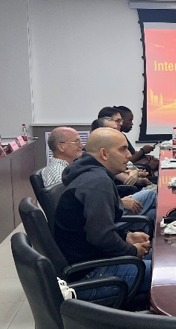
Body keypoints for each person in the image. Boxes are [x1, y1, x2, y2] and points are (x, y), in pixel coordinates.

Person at [53, 128, 153, 300]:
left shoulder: (90, 174)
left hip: (90, 260)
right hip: (91, 276)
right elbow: (101, 236)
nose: (129, 155)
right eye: (123, 149)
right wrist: (131, 250)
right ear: (104, 154)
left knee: (161, 256)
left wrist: (126, 236)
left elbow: (93, 228)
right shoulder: (98, 183)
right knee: (166, 275)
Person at [117, 105, 159, 173]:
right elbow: (127, 161)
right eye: (129, 120)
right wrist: (142, 151)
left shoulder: (122, 135)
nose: (132, 124)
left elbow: (131, 153)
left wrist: (144, 155)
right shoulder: (116, 138)